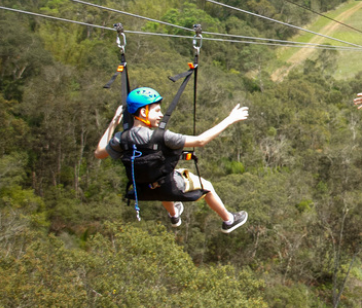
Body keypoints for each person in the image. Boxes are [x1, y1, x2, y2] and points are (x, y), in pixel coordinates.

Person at [95, 87, 250, 233]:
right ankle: (229, 220)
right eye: (156, 111)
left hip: (143, 188)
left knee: (160, 175)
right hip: (168, 186)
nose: (161, 114)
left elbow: (99, 153)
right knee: (206, 186)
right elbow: (201, 141)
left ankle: (174, 214)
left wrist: (114, 122)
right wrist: (230, 119)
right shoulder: (162, 137)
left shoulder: (120, 139)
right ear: (143, 112)